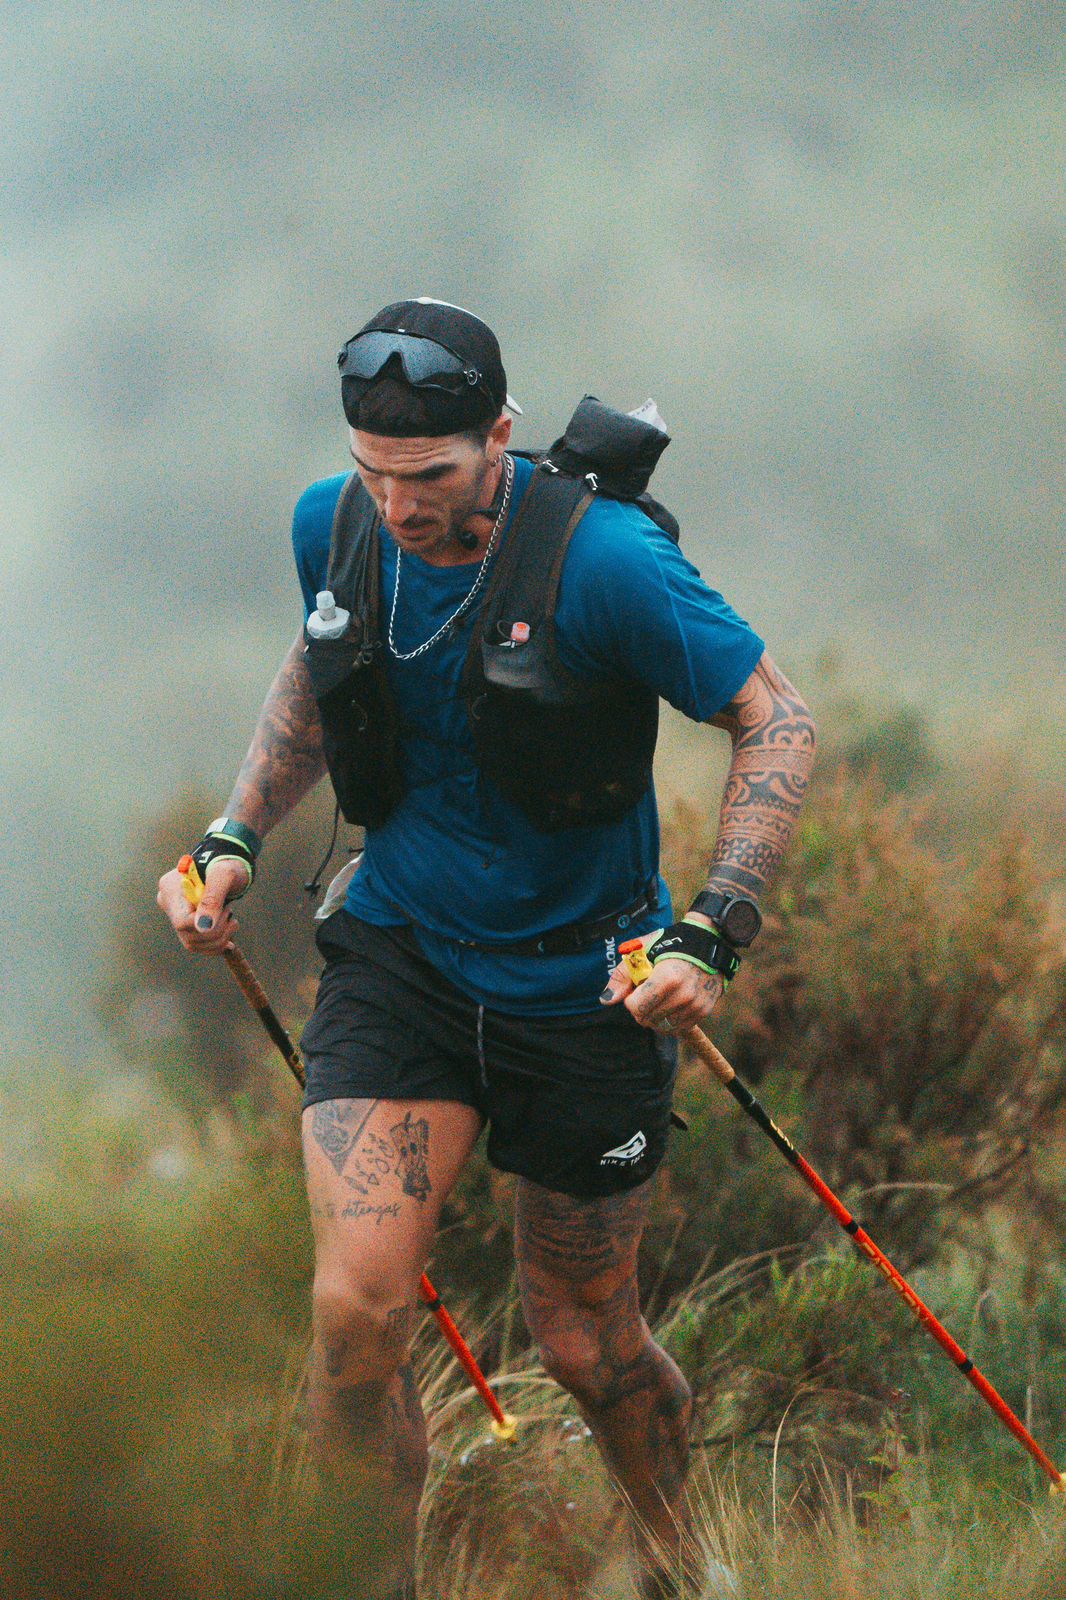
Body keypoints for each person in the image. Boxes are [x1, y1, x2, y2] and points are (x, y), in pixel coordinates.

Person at [157, 297, 816, 1600]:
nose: (399, 504)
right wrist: (236, 833)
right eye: (374, 472)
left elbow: (776, 720)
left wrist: (711, 930)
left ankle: (682, 1569)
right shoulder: (335, 523)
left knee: (584, 1342)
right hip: (400, 958)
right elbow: (321, 665)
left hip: (586, 990)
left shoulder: (604, 561)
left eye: (431, 475)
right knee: (353, 1317)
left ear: (500, 436)